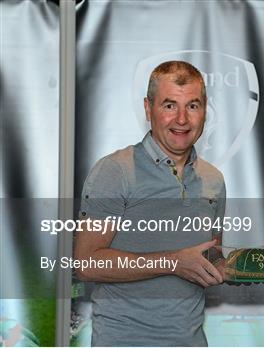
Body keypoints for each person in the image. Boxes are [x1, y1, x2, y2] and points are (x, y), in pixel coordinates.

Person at [74, 61, 226, 346]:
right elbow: (87, 263)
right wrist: (173, 263)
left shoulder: (213, 180)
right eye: (169, 105)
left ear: (205, 110)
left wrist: (247, 264)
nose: (182, 119)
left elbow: (209, 257)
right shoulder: (114, 171)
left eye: (192, 106)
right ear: (148, 108)